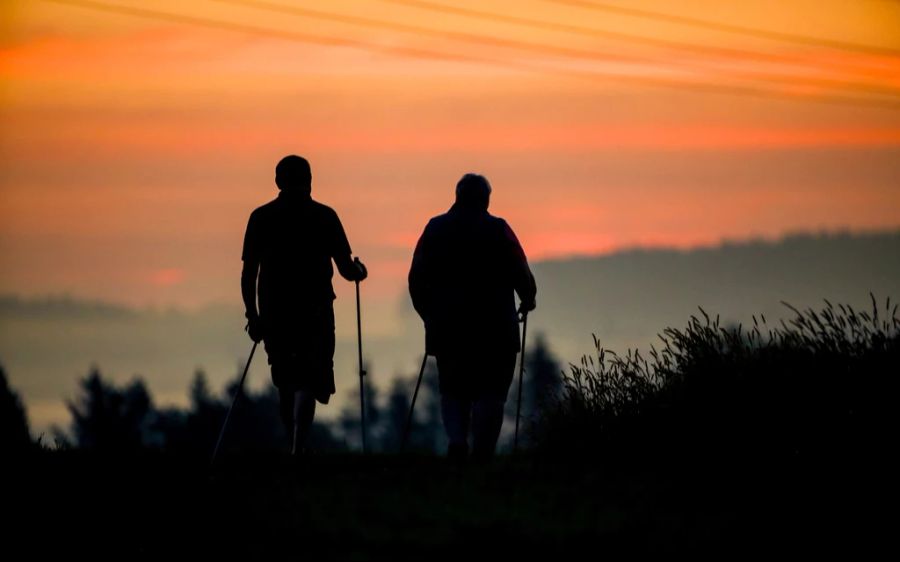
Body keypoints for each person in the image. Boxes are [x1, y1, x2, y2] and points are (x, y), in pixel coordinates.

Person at [241, 155, 367, 455]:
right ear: (309, 180)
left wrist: (252, 314)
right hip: (316, 310)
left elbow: (249, 274)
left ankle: (292, 443)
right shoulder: (324, 216)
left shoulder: (261, 218)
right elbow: (347, 270)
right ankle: (299, 445)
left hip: (275, 310)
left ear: (278, 182)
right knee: (310, 377)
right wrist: (360, 272)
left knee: (286, 378)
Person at [408, 173, 537, 462]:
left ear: (457, 196)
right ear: (486, 199)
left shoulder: (434, 229)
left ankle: (457, 440)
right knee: (492, 391)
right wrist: (528, 297)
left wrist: (428, 315)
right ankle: (482, 453)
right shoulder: (500, 229)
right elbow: (521, 269)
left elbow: (416, 278)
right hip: (497, 326)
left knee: (453, 389)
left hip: (448, 325)